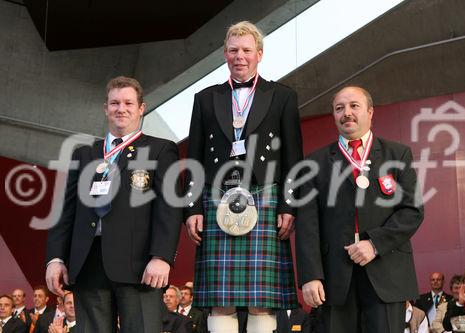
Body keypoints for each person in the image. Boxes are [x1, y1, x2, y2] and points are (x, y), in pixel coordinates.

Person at [185, 21, 302, 333]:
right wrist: (193, 208)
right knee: (220, 299)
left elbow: (294, 158)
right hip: (215, 197)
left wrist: (288, 206)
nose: (240, 56)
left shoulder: (281, 96)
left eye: (247, 50)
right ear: (225, 53)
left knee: (261, 299)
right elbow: (194, 158)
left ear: (259, 54)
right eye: (234, 50)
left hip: (265, 195)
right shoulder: (205, 98)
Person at [45, 76, 183, 333]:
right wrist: (55, 258)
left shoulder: (160, 150)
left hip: (139, 266)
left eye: (129, 103)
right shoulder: (84, 154)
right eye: (115, 103)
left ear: (141, 108)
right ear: (105, 108)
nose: (121, 109)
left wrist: (162, 256)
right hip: (88, 264)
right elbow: (66, 210)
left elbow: (169, 208)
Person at [295, 86, 424, 333]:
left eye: (354, 106)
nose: (347, 113)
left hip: (386, 273)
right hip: (333, 279)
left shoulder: (397, 154)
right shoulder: (314, 163)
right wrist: (310, 276)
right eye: (339, 108)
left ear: (370, 112)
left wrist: (374, 244)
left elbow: (412, 210)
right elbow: (307, 224)